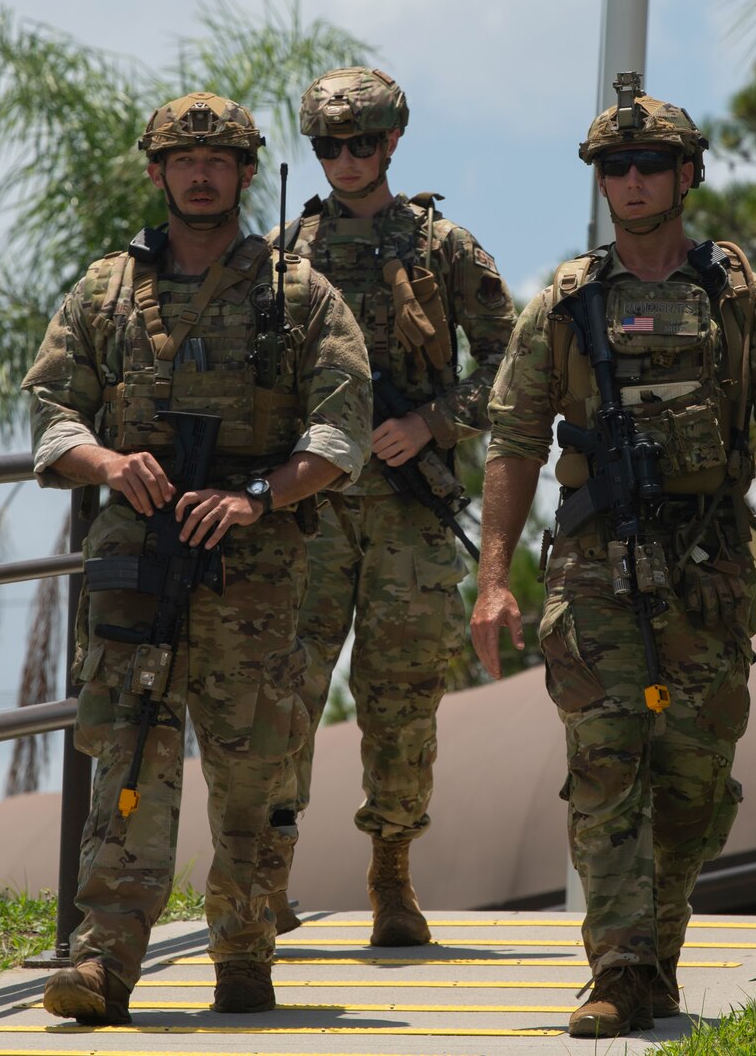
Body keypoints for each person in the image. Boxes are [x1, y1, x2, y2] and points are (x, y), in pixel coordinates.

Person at [469, 74, 756, 1039]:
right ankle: (619, 968)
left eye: (650, 165)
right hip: (593, 566)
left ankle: (654, 954)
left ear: (687, 174)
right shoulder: (565, 303)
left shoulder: (747, 301)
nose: (632, 181)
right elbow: (511, 437)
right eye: (615, 168)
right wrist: (494, 579)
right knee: (605, 763)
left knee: (694, 783)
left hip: (708, 566)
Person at [23, 91, 371, 1022]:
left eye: (220, 160)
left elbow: (342, 430)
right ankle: (105, 963)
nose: (203, 174)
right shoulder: (104, 291)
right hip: (138, 565)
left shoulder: (297, 294)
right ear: (158, 171)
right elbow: (51, 413)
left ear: (249, 173)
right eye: (185, 159)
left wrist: (257, 495)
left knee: (255, 774)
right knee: (129, 762)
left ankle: (247, 952)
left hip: (251, 575)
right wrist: (110, 461)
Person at [266, 66, 516, 945]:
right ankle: (268, 875)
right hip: (310, 506)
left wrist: (432, 421)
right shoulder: (281, 253)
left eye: (361, 143)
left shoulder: (443, 247)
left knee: (402, 695)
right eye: (329, 146)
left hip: (409, 508)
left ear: (393, 143)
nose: (344, 159)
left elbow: (511, 364)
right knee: (282, 686)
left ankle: (392, 874)